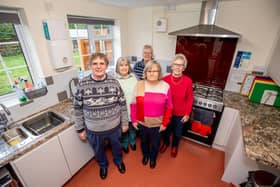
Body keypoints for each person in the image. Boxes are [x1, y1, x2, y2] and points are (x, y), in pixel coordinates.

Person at [73, 53, 129, 180]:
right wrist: (80, 129)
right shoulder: (82, 84)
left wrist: (125, 122)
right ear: (90, 66)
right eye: (95, 63)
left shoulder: (114, 82)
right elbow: (77, 108)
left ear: (107, 66)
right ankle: (103, 165)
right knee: (98, 150)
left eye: (101, 63)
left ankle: (119, 161)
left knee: (117, 147)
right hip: (93, 129)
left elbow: (123, 104)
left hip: (114, 127)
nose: (98, 67)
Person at [130, 60, 172, 169]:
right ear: (145, 72)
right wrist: (133, 120)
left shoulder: (165, 86)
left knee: (155, 144)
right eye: (149, 71)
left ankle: (153, 158)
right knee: (143, 142)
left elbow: (169, 107)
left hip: (157, 124)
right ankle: (145, 155)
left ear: (159, 73)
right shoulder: (139, 85)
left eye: (154, 71)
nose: (151, 73)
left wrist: (165, 123)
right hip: (142, 123)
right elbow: (133, 104)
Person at [160, 53, 193, 157]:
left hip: (180, 114)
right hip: (167, 113)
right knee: (166, 131)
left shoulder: (188, 81)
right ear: (172, 66)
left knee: (177, 133)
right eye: (176, 64)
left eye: (181, 65)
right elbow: (161, 97)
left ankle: (174, 146)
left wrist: (187, 114)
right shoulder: (165, 80)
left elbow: (190, 98)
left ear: (184, 68)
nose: (178, 67)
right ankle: (166, 143)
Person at [115, 57, 138, 153]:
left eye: (126, 65)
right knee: (123, 130)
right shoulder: (115, 80)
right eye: (121, 65)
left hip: (133, 109)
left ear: (129, 66)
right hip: (122, 111)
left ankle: (132, 141)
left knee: (133, 129)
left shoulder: (134, 77)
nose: (124, 67)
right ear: (117, 67)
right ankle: (124, 144)